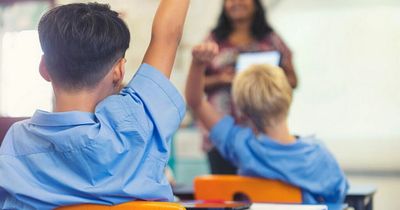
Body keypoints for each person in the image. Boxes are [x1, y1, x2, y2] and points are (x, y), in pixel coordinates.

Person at [0, 1, 189, 209]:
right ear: (118, 71)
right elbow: (168, 35)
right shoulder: (139, 119)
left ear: (44, 68)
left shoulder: (17, 143)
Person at [185, 42, 348, 204]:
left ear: (244, 112)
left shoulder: (242, 146)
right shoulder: (318, 156)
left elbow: (196, 102)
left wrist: (198, 63)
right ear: (288, 98)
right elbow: (337, 198)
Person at [202, 0, 298, 174]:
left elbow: (293, 80)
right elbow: (196, 83)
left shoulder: (271, 39)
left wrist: (265, 77)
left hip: (262, 134)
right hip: (221, 134)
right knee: (223, 195)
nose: (236, 2)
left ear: (255, 4)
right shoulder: (213, 40)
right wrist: (221, 79)